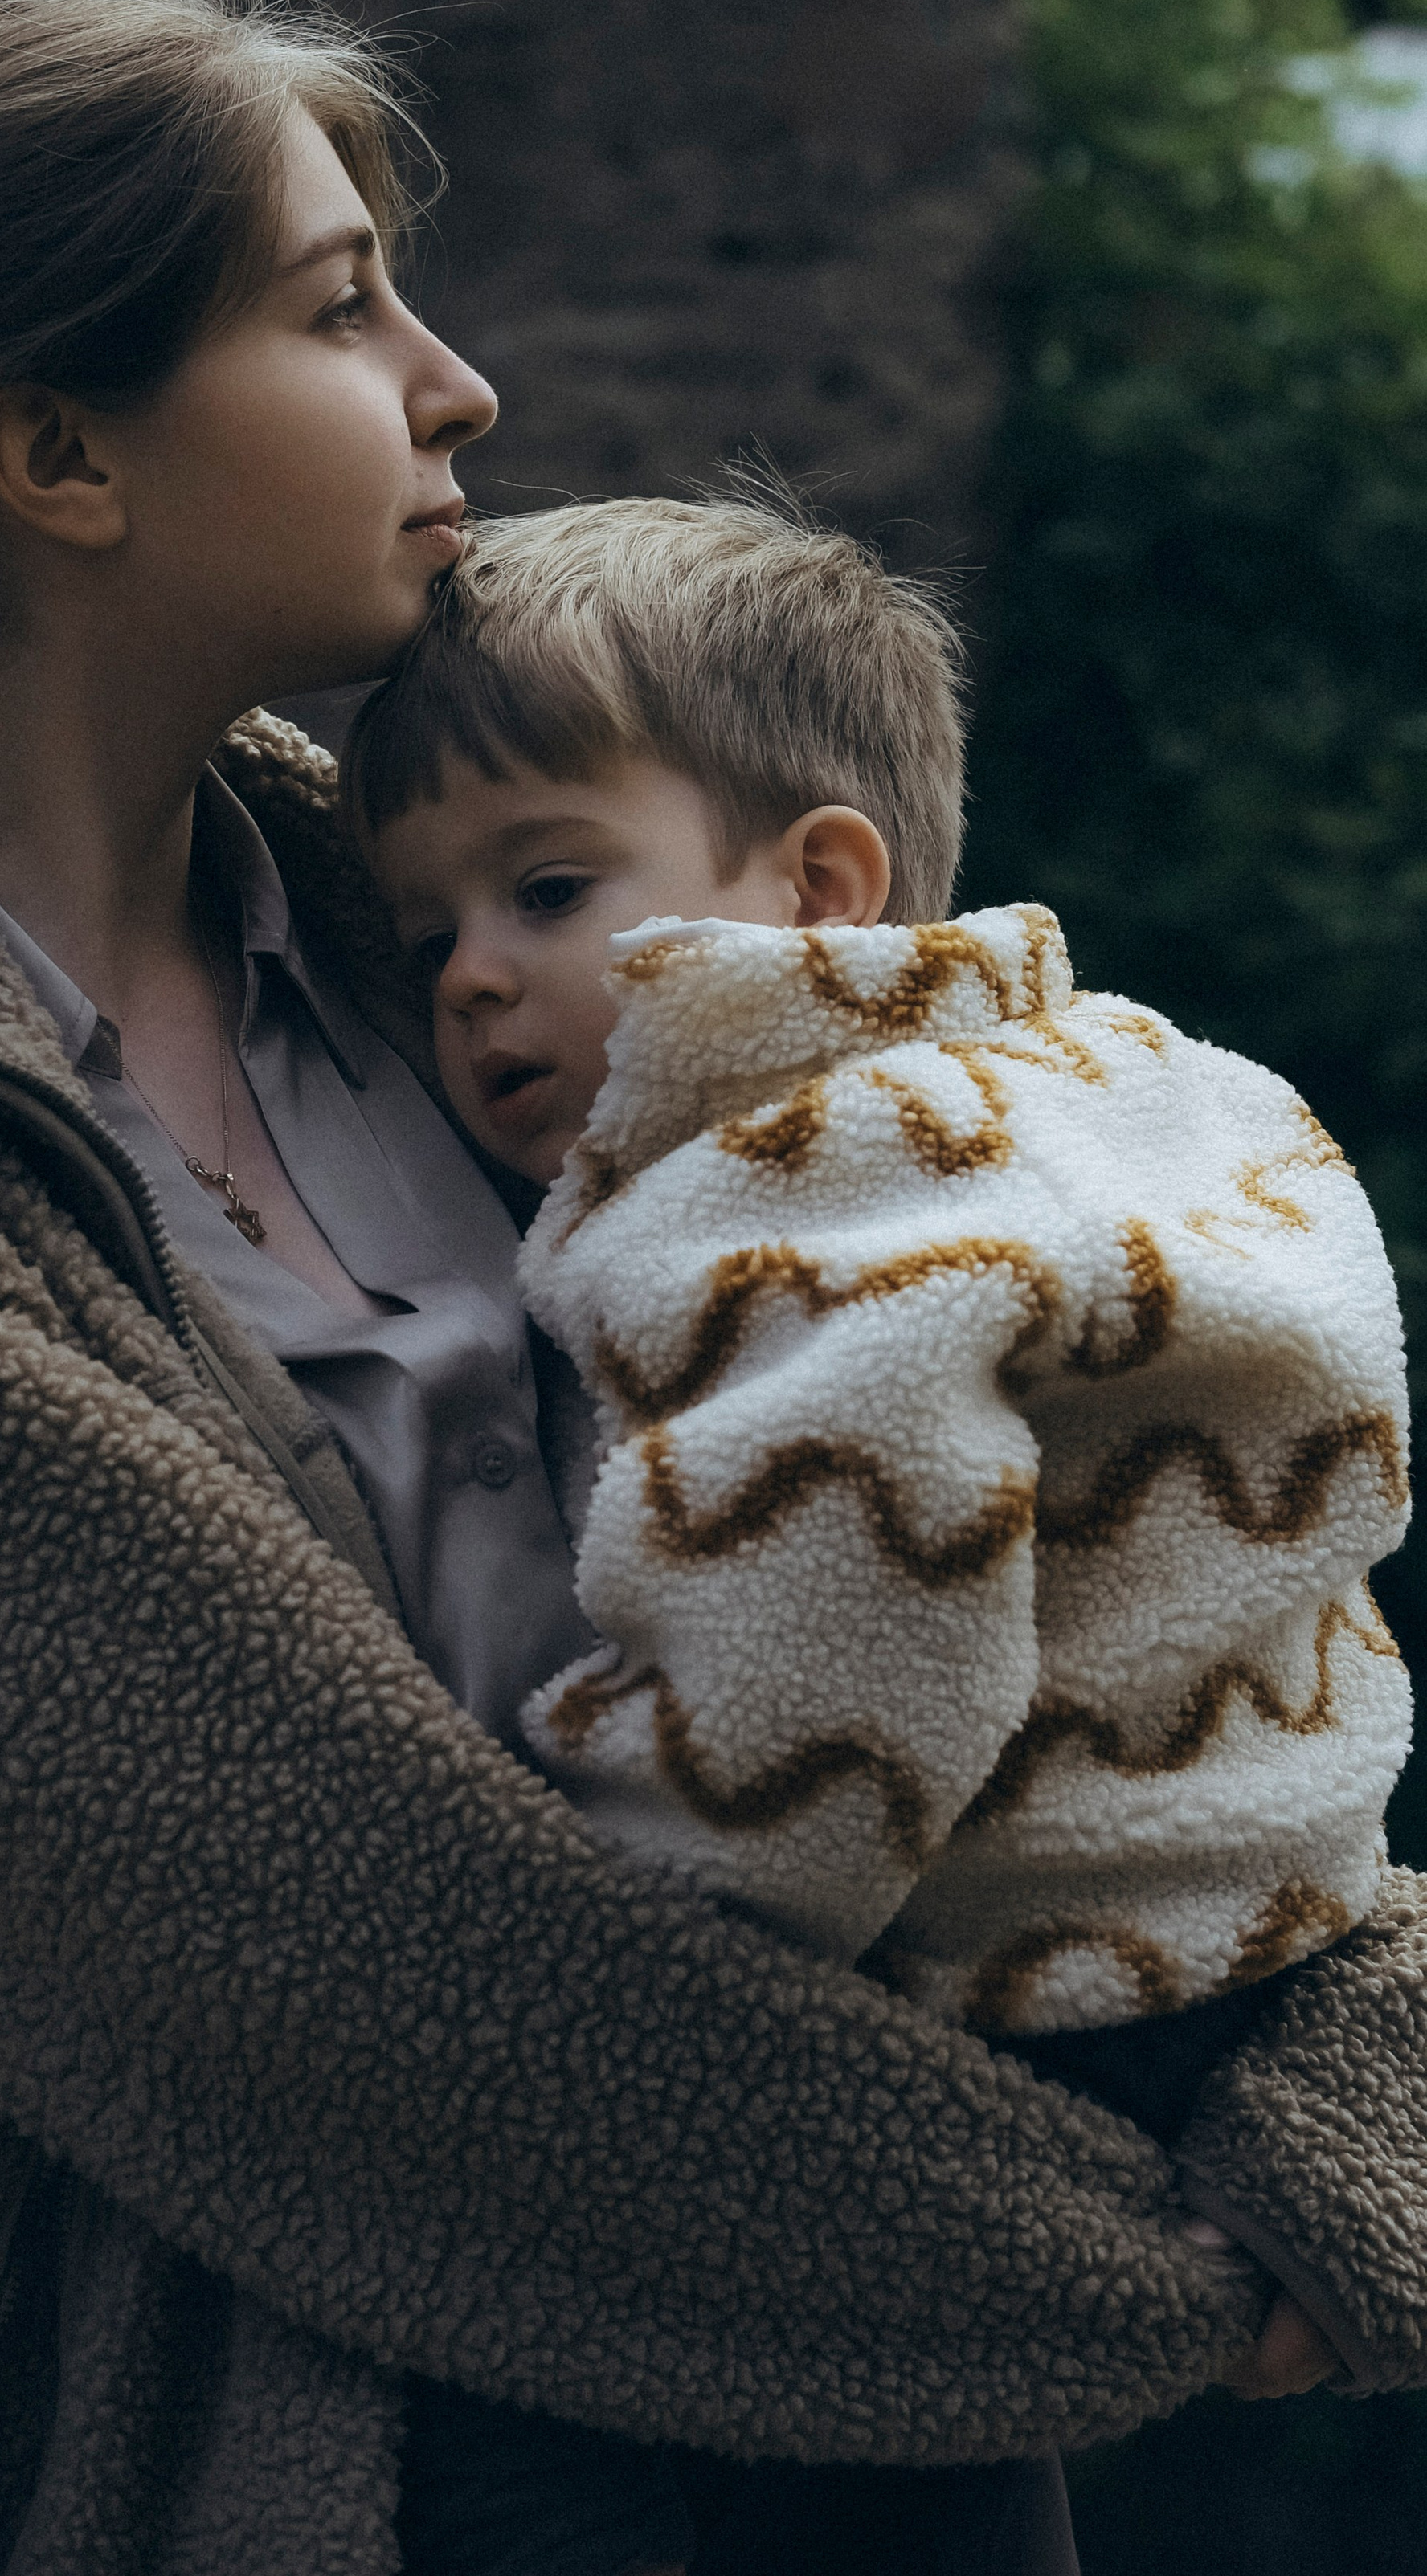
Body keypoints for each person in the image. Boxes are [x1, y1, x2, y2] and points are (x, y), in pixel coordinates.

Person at [0, 0, 1427, 2576]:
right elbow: (340, 1964)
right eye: (343, 303)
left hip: (830, 2401)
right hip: (213, 2453)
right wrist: (1136, 2262)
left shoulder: (475, 955)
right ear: (57, 450)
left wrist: (1332, 2057)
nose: (454, 381)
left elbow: (1103, 1533)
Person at [349, 488, 1420, 2567]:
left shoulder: (799, 1193)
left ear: (820, 881)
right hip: (1258, 1930)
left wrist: (606, 1946)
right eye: (424, 939)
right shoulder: (1112, 1081)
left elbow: (837, 1662)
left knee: (532, 2396)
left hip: (1018, 1980)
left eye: (546, 885)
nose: (473, 983)